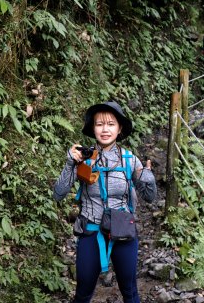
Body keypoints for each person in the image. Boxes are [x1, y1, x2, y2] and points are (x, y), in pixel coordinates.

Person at [53, 101, 156, 303]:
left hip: (123, 230)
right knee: (82, 292)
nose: (105, 129)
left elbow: (149, 197)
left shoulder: (129, 160)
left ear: (119, 129)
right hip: (91, 229)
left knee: (130, 290)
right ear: (93, 129)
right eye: (99, 124)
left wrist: (148, 177)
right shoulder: (83, 158)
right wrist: (69, 163)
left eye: (110, 124)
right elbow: (58, 194)